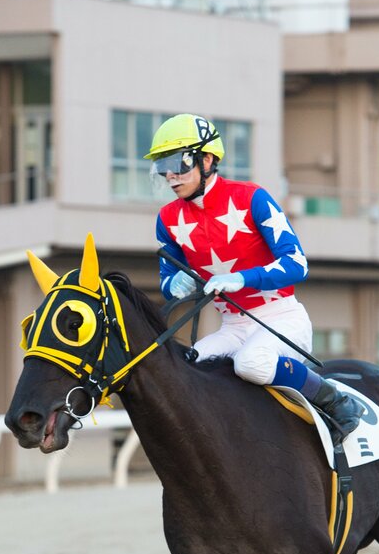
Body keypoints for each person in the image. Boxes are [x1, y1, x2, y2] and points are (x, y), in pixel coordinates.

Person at [146, 113, 364, 437]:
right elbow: (167, 282)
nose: (170, 175)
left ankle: (334, 400)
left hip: (281, 319)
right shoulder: (167, 219)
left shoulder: (251, 197)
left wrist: (242, 279)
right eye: (163, 166)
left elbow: (297, 263)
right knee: (184, 369)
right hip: (232, 327)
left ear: (207, 159)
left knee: (251, 363)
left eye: (178, 162)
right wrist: (174, 284)